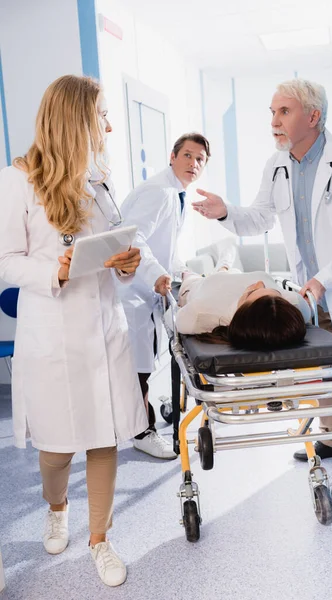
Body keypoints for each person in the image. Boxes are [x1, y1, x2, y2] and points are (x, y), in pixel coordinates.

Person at [192, 78, 332, 502]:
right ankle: (329, 437)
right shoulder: (278, 164)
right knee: (320, 370)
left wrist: (324, 279)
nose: (274, 122)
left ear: (313, 116)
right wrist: (226, 212)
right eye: (271, 113)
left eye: (283, 112)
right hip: (312, 292)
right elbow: (262, 217)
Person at [0, 75, 148, 587]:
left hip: (103, 330)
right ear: (75, 118)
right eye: (102, 114)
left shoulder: (99, 182)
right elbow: (7, 263)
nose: (108, 124)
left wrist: (128, 262)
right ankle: (56, 505)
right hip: (51, 334)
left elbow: (118, 248)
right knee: (58, 449)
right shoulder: (17, 181)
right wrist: (54, 272)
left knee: (103, 437)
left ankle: (100, 540)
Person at [118, 133, 210, 459]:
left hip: (144, 290)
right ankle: (142, 432)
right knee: (137, 368)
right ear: (173, 156)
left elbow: (165, 247)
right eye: (187, 155)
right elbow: (134, 239)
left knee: (142, 363)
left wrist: (183, 271)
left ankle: (142, 422)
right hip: (130, 290)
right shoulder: (158, 191)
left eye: (200, 159)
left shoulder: (176, 194)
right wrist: (157, 274)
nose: (193, 163)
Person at [176, 268, 310, 351]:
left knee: (188, 274)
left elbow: (172, 318)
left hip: (198, 284)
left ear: (242, 313)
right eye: (276, 292)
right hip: (235, 274)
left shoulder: (200, 312)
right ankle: (224, 267)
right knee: (228, 269)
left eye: (252, 292)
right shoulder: (297, 304)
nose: (259, 283)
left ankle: (186, 271)